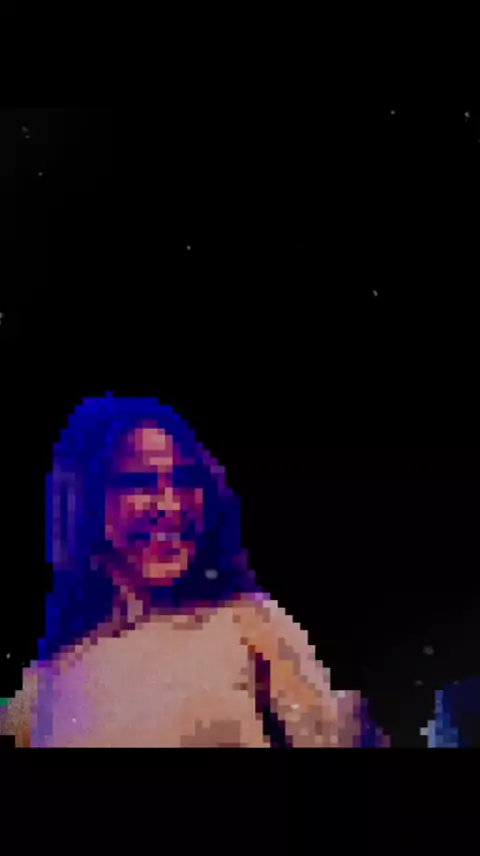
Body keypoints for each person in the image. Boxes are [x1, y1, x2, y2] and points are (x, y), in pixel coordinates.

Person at [0, 393, 390, 748]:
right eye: (140, 482)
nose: (170, 506)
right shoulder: (40, 692)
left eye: (186, 480)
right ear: (87, 499)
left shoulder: (249, 627)